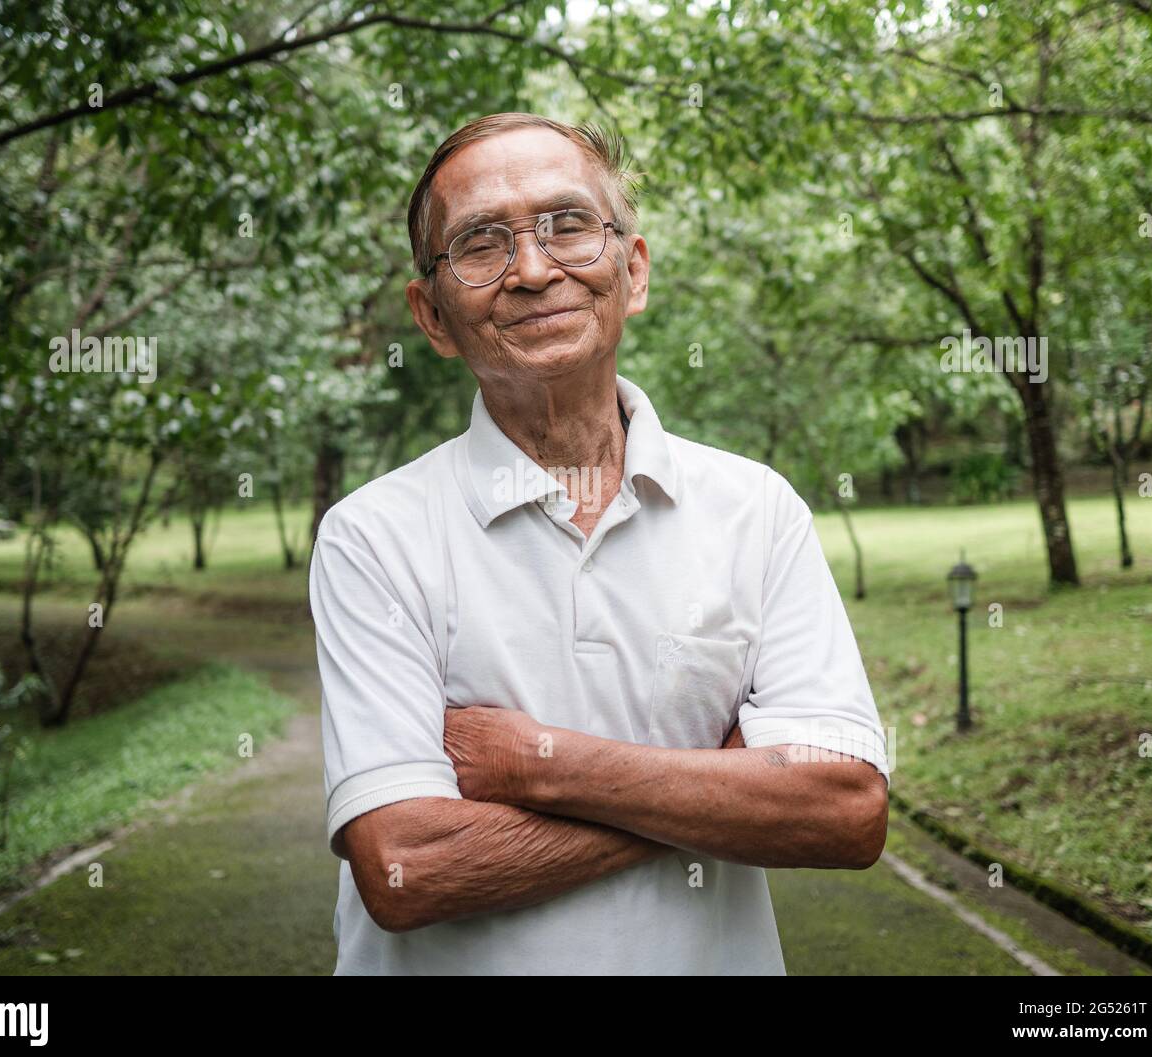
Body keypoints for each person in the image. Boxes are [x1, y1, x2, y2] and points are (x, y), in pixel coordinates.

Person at [309, 112, 889, 975]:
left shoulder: (756, 509)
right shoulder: (372, 538)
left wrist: (535, 765)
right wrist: (719, 788)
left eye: (569, 225)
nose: (535, 271)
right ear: (431, 315)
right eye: (481, 244)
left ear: (634, 268)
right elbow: (406, 867)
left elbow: (843, 813)